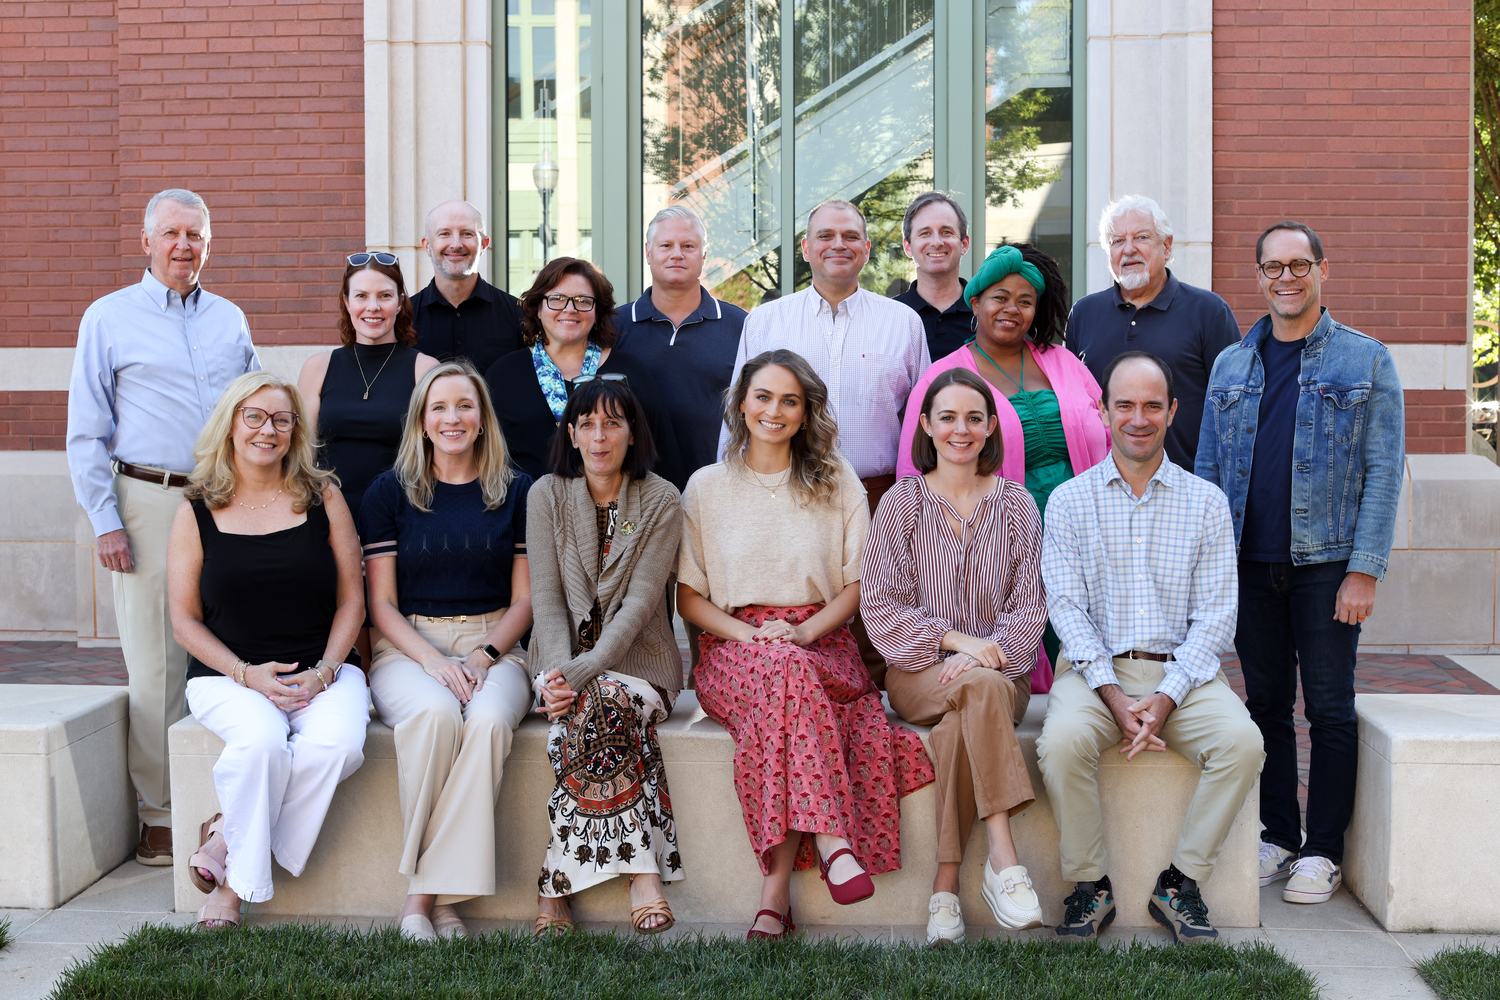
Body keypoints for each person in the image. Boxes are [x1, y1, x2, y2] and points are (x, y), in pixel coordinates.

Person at [678, 349, 934, 941]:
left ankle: (775, 895)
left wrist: (802, 633)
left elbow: (859, 585)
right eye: (763, 397)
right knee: (785, 673)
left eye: (789, 401)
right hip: (733, 648)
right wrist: (753, 636)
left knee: (789, 680)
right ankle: (833, 839)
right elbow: (689, 598)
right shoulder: (706, 486)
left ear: (805, 411)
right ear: (742, 403)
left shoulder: (836, 478)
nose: (774, 410)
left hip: (822, 641)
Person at [1197, 222, 1404, 906]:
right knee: (1264, 705)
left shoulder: (1366, 359)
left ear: (1322, 269)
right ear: (1258, 276)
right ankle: (1279, 835)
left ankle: (1323, 850)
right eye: (1273, 267)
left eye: (1298, 265)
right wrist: (1210, 568)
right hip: (1249, 565)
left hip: (1327, 566)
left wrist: (1364, 569)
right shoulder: (1232, 364)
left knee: (1331, 708)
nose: (1285, 278)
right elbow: (1208, 470)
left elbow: (1384, 471)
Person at [1038, 351, 1263, 946]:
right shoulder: (1069, 501)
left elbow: (1216, 616)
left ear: (1172, 411)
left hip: (1184, 675)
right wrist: (1114, 696)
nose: (1138, 418)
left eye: (1152, 406)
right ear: (1103, 411)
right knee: (1060, 744)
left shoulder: (1206, 502)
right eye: (1125, 405)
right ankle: (1090, 885)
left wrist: (1165, 698)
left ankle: (1180, 882)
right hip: (1094, 674)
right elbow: (1066, 610)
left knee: (1243, 744)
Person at [67, 187, 261, 865]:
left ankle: (224, 798)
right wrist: (105, 520)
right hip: (148, 500)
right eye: (172, 233)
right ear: (146, 241)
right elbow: (85, 431)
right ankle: (159, 813)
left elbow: (256, 407)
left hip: (226, 499)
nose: (184, 245)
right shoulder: (108, 317)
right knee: (156, 663)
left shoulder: (230, 319)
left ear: (209, 244)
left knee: (232, 644)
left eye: (195, 235)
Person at [166, 372, 368, 929]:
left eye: (281, 419)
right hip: (226, 675)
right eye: (253, 416)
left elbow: (353, 600)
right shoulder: (197, 508)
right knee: (260, 746)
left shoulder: (323, 497)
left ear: (295, 431)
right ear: (231, 425)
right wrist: (244, 673)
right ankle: (233, 892)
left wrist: (326, 671)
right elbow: (184, 621)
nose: (267, 429)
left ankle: (225, 838)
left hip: (322, 669)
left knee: (338, 747)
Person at [862, 368, 1048, 945]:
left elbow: (1031, 607)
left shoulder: (1018, 505)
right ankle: (1003, 859)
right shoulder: (902, 503)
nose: (960, 430)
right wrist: (957, 642)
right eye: (947, 417)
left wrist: (988, 658)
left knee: (965, 717)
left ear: (991, 427)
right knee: (977, 689)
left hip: (1003, 675)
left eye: (973, 418)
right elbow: (880, 605)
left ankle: (944, 888)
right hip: (918, 673)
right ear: (926, 425)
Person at [723, 199, 930, 687]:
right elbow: (738, 415)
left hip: (879, 496)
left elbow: (921, 421)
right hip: (785, 494)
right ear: (805, 248)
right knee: (800, 619)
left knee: (878, 613)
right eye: (826, 236)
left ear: (867, 248)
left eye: (850, 236)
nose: (839, 244)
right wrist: (735, 493)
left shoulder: (902, 322)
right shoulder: (767, 321)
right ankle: (810, 699)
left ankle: (871, 708)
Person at [360, 361, 535, 942]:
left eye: (464, 406)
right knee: (435, 715)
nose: (452, 418)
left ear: (482, 419)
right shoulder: (389, 492)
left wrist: (483, 655)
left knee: (488, 721)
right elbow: (381, 604)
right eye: (439, 407)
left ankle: (421, 899)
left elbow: (525, 601)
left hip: (497, 645)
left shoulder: (517, 490)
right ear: (421, 420)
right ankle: (441, 906)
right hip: (407, 646)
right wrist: (432, 661)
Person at [897, 243, 1110, 687]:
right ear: (974, 303)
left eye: (1025, 301)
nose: (1012, 309)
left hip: (1083, 530)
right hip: (998, 535)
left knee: (1083, 644)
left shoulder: (1066, 363)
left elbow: (1108, 433)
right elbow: (916, 472)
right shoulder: (943, 377)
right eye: (1000, 297)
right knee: (1025, 632)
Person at [527, 379, 685, 937]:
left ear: (632, 433)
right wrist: (557, 674)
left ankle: (554, 889)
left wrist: (577, 675)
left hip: (642, 665)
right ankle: (643, 877)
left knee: (599, 703)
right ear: (571, 434)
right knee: (599, 708)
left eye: (613, 423)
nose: (600, 436)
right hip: (562, 666)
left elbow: (640, 605)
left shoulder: (662, 499)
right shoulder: (545, 495)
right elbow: (547, 599)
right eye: (588, 424)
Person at [1064, 195, 1241, 470]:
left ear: (1167, 246)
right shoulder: (1084, 313)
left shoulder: (1209, 311)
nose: (1129, 249)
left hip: (1187, 483)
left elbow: (1235, 410)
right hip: (1100, 484)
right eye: (1117, 241)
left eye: (1142, 237)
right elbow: (1072, 406)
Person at [484, 257, 684, 489]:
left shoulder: (629, 372)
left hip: (620, 509)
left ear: (597, 311)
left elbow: (663, 458)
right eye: (557, 299)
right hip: (527, 509)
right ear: (538, 308)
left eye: (583, 301)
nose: (570, 309)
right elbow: (484, 459)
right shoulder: (503, 374)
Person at [297, 252, 439, 520]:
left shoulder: (425, 369)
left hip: (403, 516)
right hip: (328, 516)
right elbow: (301, 456)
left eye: (384, 296)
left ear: (399, 303)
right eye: (361, 296)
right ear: (347, 302)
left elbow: (437, 457)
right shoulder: (318, 368)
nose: (372, 307)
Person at [615, 205, 747, 477]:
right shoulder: (614, 326)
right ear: (648, 252)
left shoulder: (741, 325)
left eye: (688, 246)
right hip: (634, 487)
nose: (677, 254)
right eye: (666, 245)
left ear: (704, 255)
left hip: (718, 485)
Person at [411, 200, 525, 374]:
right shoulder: (404, 318)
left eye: (467, 233)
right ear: (427, 245)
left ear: (484, 244)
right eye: (444, 234)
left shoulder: (518, 315)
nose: (456, 244)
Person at [893, 191, 975, 362]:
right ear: (908, 247)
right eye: (925, 233)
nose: (936, 242)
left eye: (946, 232)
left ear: (964, 244)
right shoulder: (889, 317)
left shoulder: (985, 315)